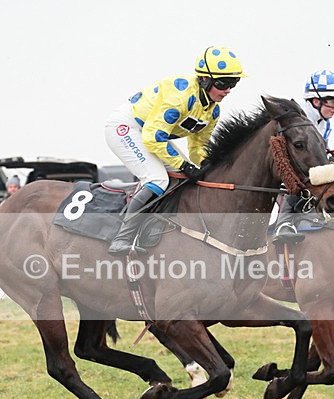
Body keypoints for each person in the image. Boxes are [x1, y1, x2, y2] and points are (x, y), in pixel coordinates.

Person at [104, 46, 245, 255]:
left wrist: (205, 164)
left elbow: (198, 146)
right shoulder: (180, 98)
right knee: (157, 179)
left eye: (234, 83)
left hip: (152, 133)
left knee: (182, 178)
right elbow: (153, 138)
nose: (228, 90)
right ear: (205, 80)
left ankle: (150, 231)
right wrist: (184, 165)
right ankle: (122, 237)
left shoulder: (212, 110)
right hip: (127, 128)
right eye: (223, 83)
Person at [274, 69, 334, 242]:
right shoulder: (302, 119)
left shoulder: (325, 123)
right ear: (316, 101)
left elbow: (318, 155)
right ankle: (283, 223)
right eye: (332, 101)